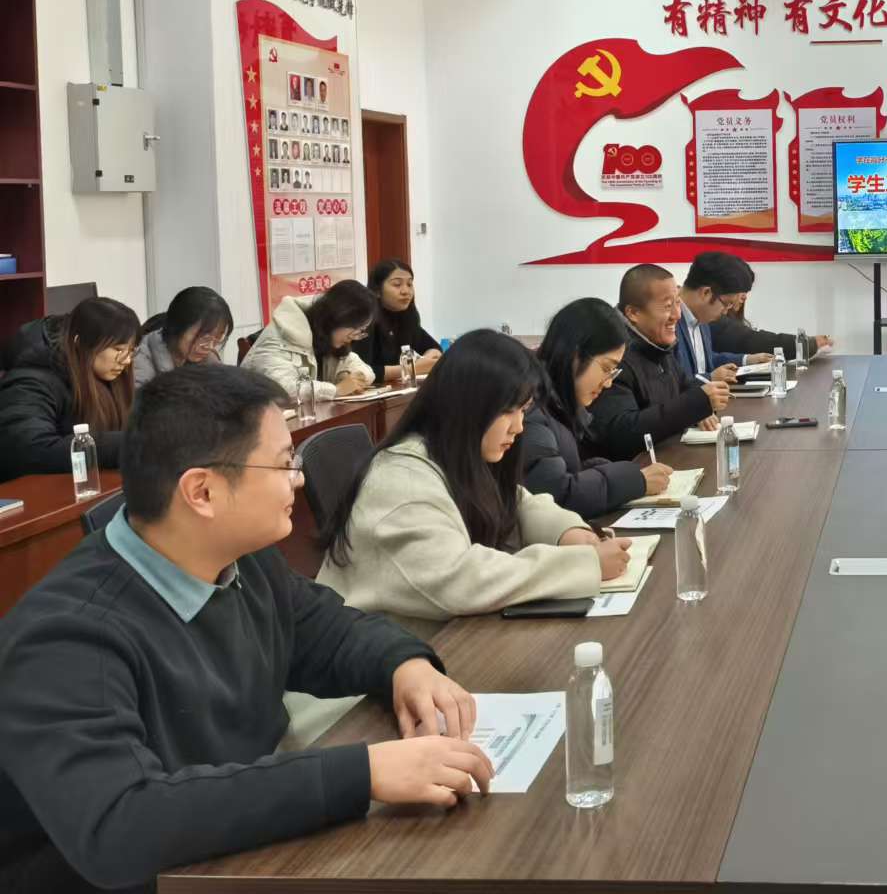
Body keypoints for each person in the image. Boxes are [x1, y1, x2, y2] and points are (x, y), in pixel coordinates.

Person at [0, 365, 493, 892]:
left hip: (236, 853)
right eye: (283, 463)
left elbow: (328, 632)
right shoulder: (66, 640)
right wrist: (364, 774)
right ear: (202, 492)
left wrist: (406, 666)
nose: (298, 479)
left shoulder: (238, 559)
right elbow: (120, 824)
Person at [317, 330, 630, 620]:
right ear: (468, 406)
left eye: (523, 410)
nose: (519, 427)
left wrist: (568, 532)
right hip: (383, 653)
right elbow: (460, 580)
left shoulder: (456, 452)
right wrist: (583, 565)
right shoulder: (400, 482)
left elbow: (516, 501)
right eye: (508, 411)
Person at [524, 298, 674, 515]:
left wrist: (607, 469)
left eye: (614, 372)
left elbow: (568, 469)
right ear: (574, 355)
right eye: (606, 368)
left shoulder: (560, 402)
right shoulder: (530, 408)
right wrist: (635, 480)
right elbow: (557, 494)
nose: (608, 383)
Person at [587, 264, 729, 460]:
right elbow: (622, 433)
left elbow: (685, 386)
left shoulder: (657, 344)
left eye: (678, 304)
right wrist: (694, 404)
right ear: (633, 313)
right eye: (668, 306)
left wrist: (702, 404)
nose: (677, 315)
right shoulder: (614, 356)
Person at [0, 297, 140, 480]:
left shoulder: (109, 375)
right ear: (79, 343)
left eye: (131, 350)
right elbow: (30, 451)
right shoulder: (31, 382)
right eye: (118, 349)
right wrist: (127, 444)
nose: (126, 360)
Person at [241, 280, 376, 400]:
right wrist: (336, 390)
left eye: (361, 331)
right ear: (338, 317)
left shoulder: (326, 338)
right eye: (356, 329)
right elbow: (284, 390)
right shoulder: (278, 338)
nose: (355, 336)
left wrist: (348, 376)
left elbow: (365, 371)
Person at [706, 256, 831, 361]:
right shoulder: (711, 320)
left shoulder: (726, 319)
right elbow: (754, 341)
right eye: (740, 290)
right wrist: (808, 344)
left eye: (746, 291)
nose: (744, 297)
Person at [675, 252, 769, 382]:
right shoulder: (668, 323)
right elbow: (672, 381)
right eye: (727, 304)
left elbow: (705, 360)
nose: (725, 312)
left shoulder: (701, 316)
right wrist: (710, 378)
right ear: (706, 293)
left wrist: (747, 359)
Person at [353, 259, 441, 385]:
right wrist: (411, 368)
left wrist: (427, 359)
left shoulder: (407, 316)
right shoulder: (365, 320)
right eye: (397, 284)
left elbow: (434, 347)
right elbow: (362, 372)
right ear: (377, 291)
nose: (406, 291)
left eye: (409, 284)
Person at [133, 286, 233, 386]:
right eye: (204, 337)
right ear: (177, 326)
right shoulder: (140, 359)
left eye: (218, 338)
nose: (210, 346)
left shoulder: (207, 359)